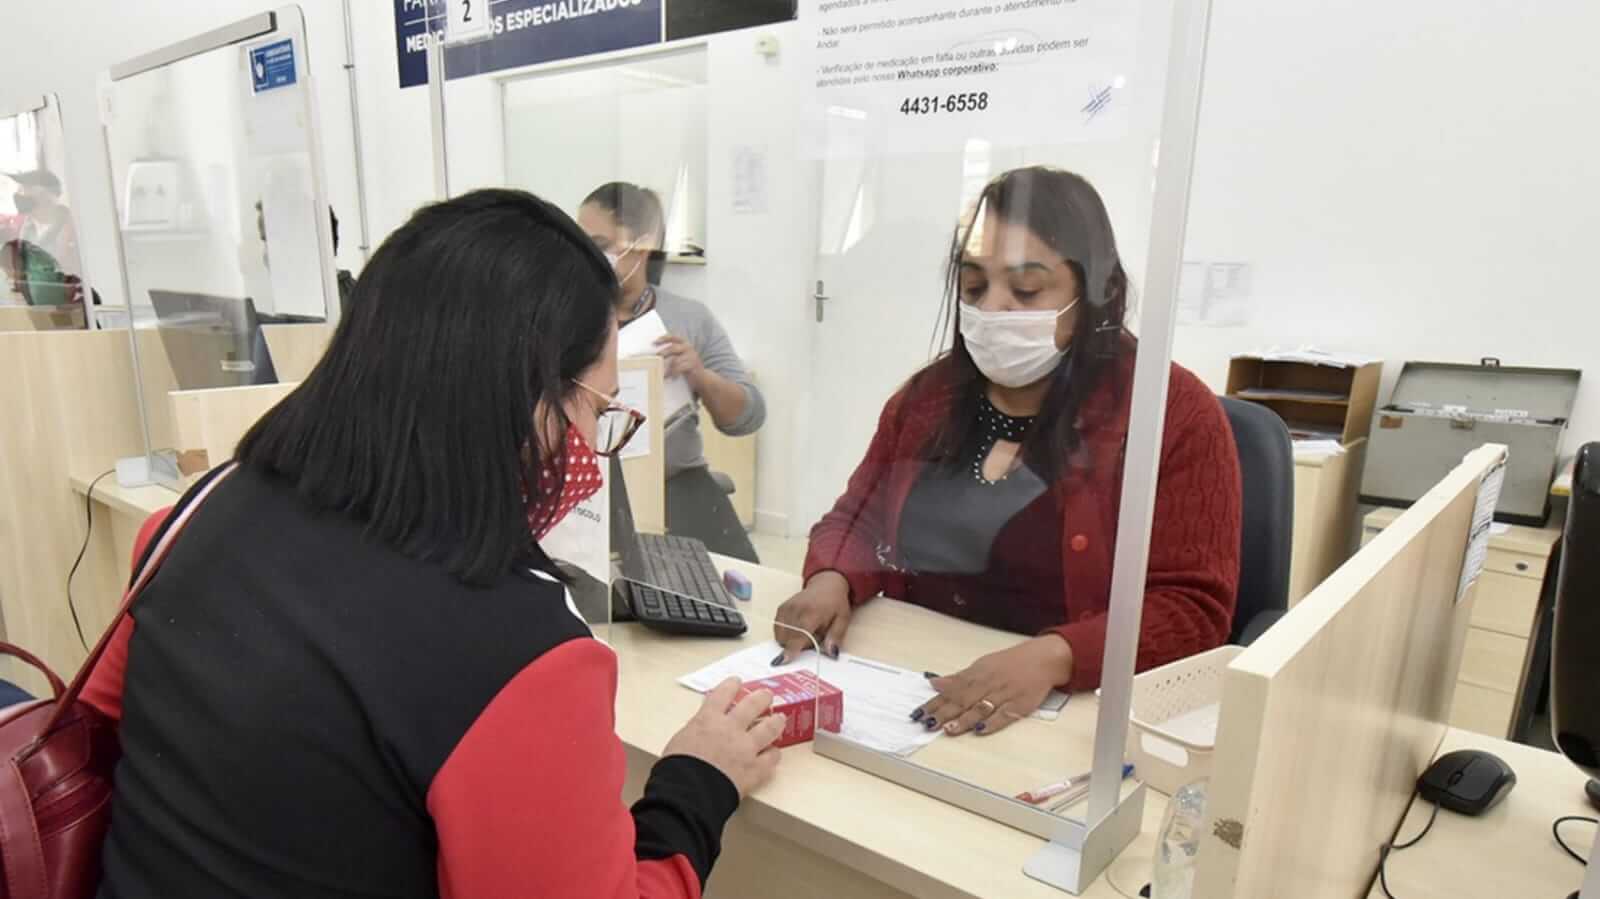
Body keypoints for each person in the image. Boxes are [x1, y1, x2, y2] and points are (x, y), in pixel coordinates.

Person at [81, 189, 786, 897]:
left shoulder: (195, 515)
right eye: (598, 410)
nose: (589, 450)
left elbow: (99, 738)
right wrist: (698, 780)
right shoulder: (518, 655)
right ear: (521, 397)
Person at [774, 167, 1242, 737]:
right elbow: (857, 516)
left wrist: (1056, 656)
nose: (992, 309)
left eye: (1025, 290)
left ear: (1096, 293)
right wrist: (833, 577)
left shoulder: (1171, 412)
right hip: (914, 678)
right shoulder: (928, 398)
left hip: (1066, 713)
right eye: (974, 288)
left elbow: (1195, 610)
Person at [578, 182, 765, 562]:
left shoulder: (689, 317)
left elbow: (747, 417)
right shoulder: (566, 315)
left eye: (599, 244)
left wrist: (698, 375)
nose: (586, 257)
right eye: (580, 244)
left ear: (643, 244)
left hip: (677, 483)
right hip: (591, 491)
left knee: (741, 589)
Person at [8, 169, 82, 281]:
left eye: (27, 188)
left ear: (48, 194)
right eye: (20, 188)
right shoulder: (27, 228)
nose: (20, 194)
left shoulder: (73, 226)